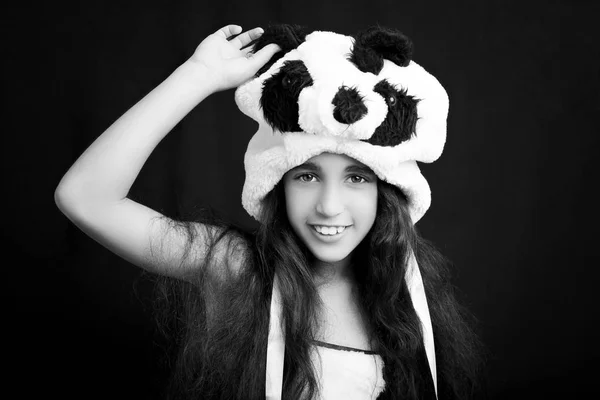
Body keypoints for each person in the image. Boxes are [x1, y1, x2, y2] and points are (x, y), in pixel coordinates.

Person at [55, 23, 483, 400]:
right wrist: (199, 76)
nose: (329, 206)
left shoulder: (408, 296)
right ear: (276, 183)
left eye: (356, 178)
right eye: (307, 176)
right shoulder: (237, 269)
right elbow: (86, 198)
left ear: (386, 193)